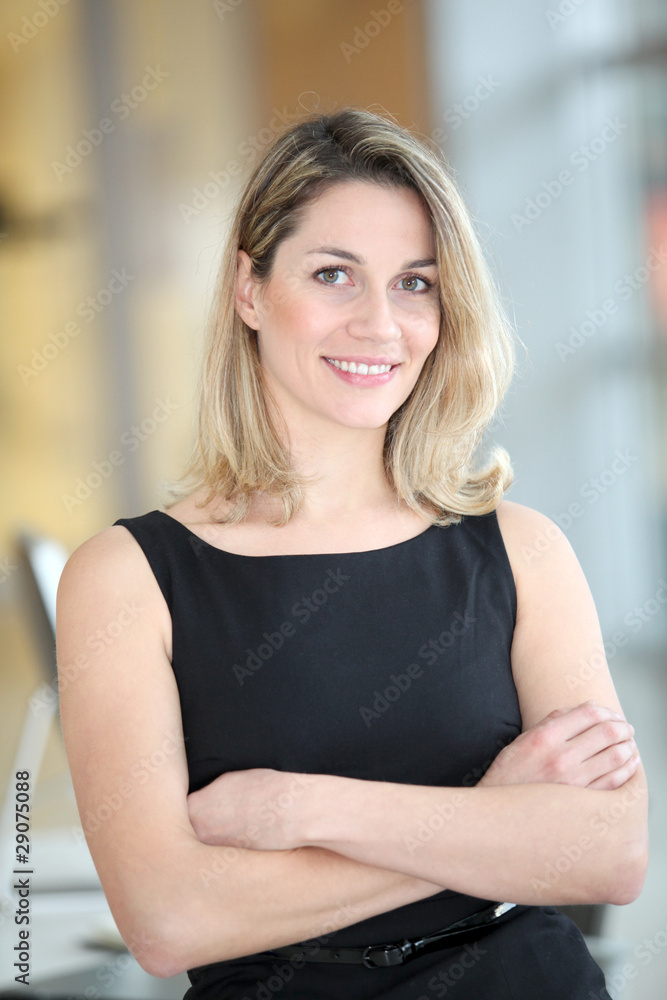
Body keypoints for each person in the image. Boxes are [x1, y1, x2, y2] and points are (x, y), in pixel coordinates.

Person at [56, 106, 648, 999]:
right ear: (248, 289)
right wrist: (494, 817)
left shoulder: (523, 553)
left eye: (415, 283)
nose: (380, 323)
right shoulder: (127, 577)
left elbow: (609, 856)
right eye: (335, 274)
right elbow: (169, 921)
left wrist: (299, 810)